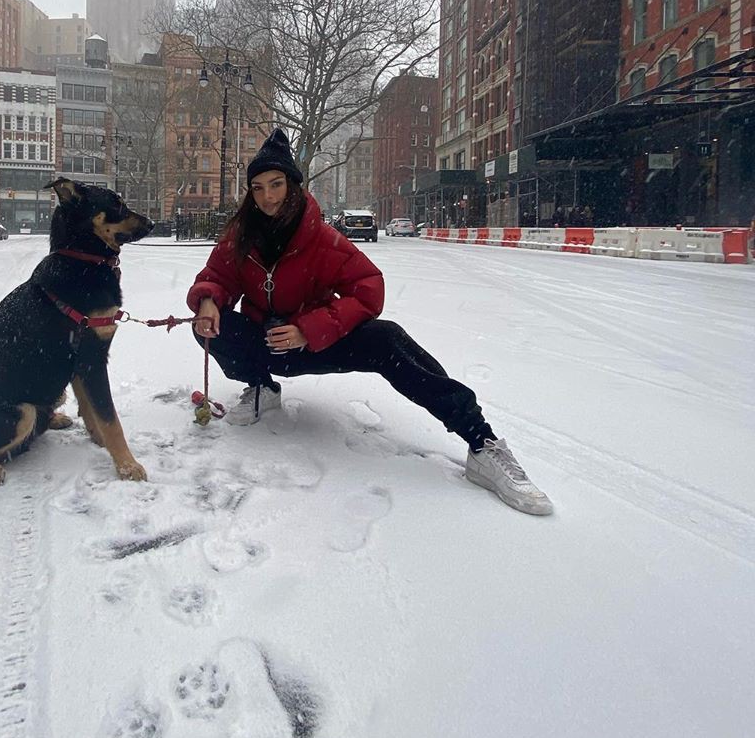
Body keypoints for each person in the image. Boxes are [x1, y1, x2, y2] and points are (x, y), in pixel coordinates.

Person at [188, 128, 553, 515]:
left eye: (276, 184)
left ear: (294, 185)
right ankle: (261, 388)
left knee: (387, 339)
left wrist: (308, 329)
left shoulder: (323, 239)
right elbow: (217, 277)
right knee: (210, 326)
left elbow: (369, 288)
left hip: (315, 343)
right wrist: (210, 302)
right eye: (258, 188)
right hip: (265, 345)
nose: (268, 197)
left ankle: (481, 443)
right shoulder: (238, 237)